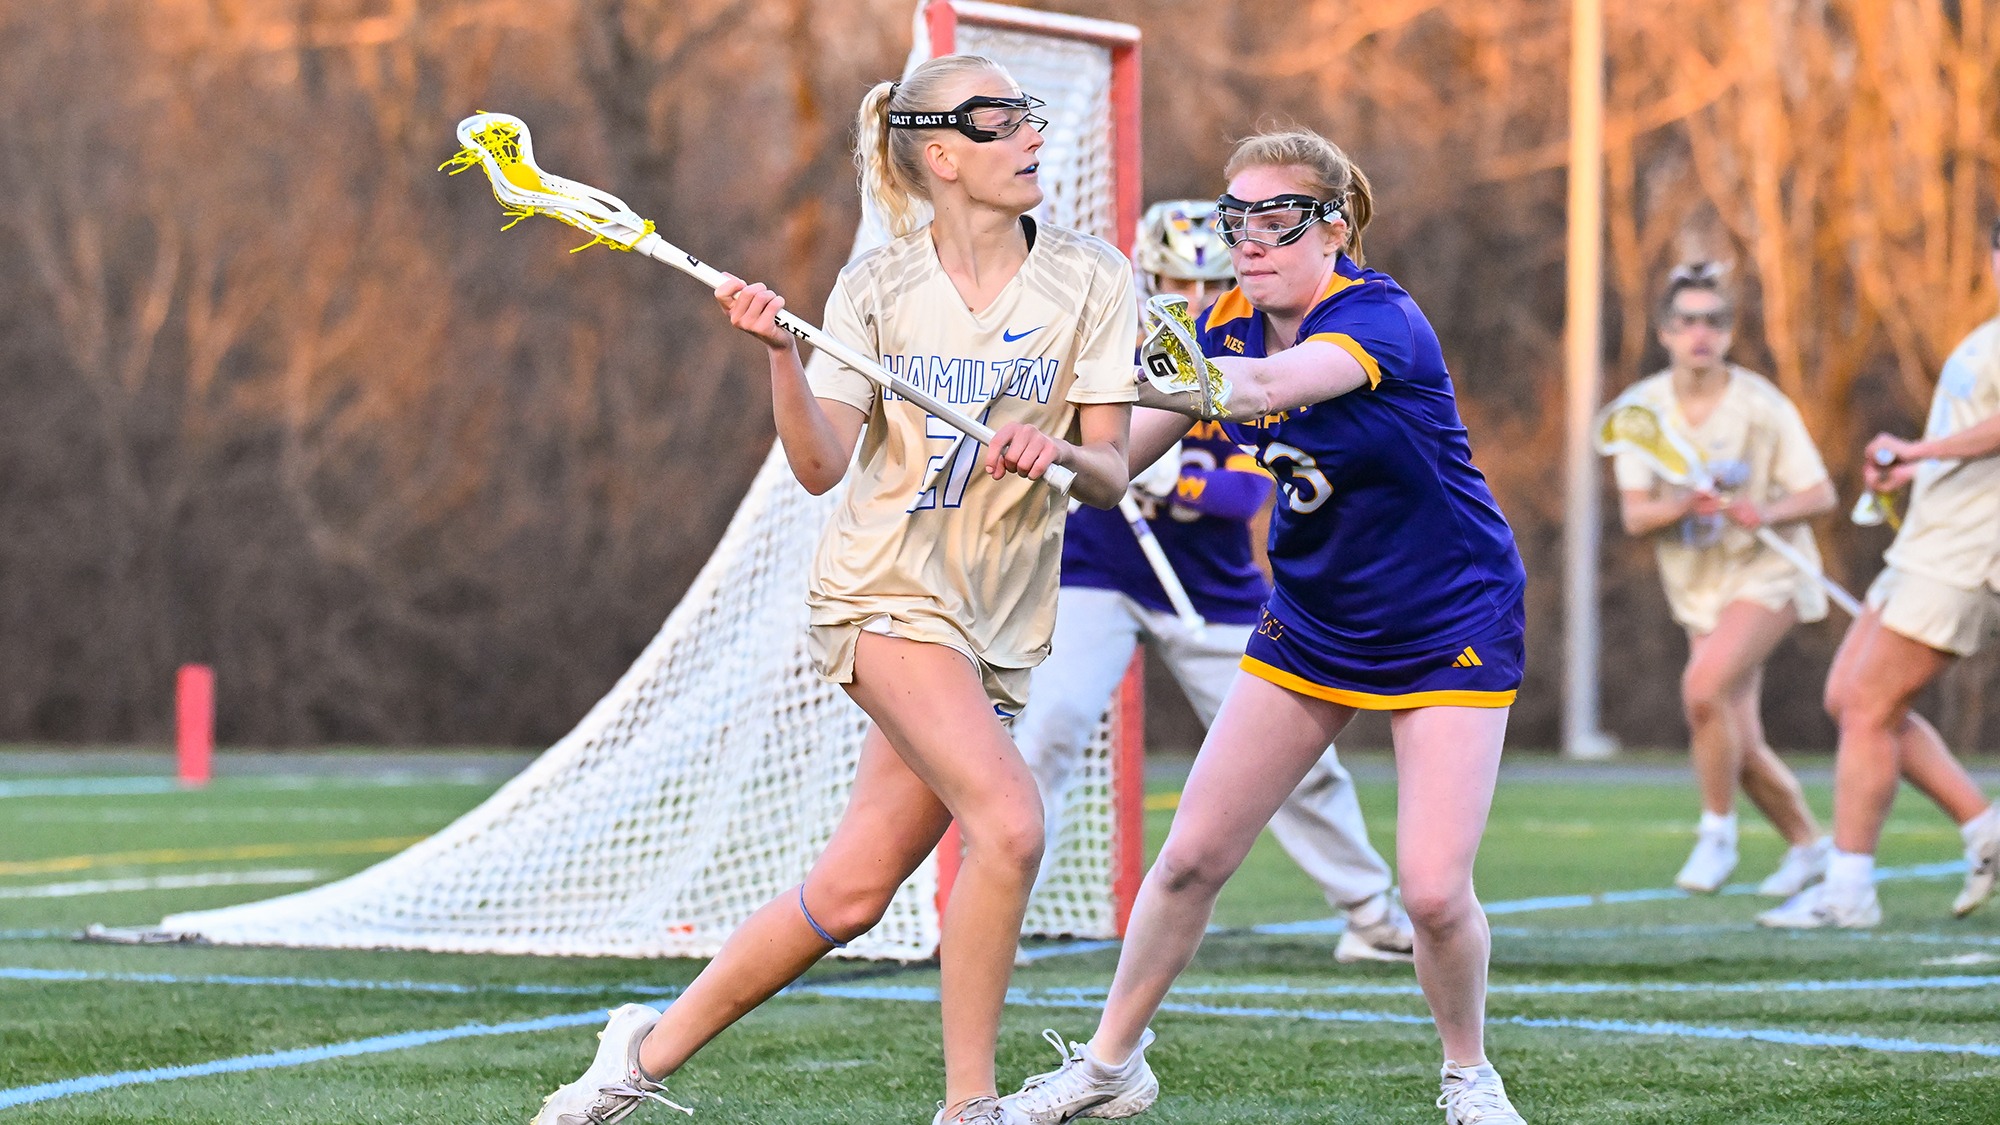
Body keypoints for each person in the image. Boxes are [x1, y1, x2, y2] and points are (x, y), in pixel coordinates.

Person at [530, 55, 1137, 1125]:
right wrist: (776, 356)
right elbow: (818, 466)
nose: (1030, 133)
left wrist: (1053, 453)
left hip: (994, 620)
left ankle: (636, 1055)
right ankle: (970, 1108)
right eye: (999, 121)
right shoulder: (873, 292)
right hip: (882, 594)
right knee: (1009, 824)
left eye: (1025, 114)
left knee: (852, 895)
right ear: (941, 155)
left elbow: (1110, 476)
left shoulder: (1091, 281)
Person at [1001, 128, 1530, 1125]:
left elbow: (1264, 391)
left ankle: (1467, 1073)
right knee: (1192, 855)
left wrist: (1133, 357)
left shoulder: (1377, 317)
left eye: (1273, 218)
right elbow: (1118, 474)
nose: (1247, 239)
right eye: (1232, 217)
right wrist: (1045, 441)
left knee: (1428, 893)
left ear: (1331, 226)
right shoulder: (1227, 329)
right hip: (1313, 619)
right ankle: (1111, 1066)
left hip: (1447, 614)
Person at [1014, 198, 1413, 965]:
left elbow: (1245, 494)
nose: (1192, 300)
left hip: (1213, 590)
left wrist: (1170, 485)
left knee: (1297, 758)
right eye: (1173, 278)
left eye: (1207, 280)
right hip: (1097, 573)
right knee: (1048, 729)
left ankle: (1368, 909)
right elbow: (1068, 460)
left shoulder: (1255, 351)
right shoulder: (1107, 354)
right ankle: (1004, 908)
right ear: (1147, 275)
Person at [1760, 216, 2000, 930]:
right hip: (1928, 543)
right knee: (1850, 698)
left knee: (1867, 703)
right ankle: (1984, 826)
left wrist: (1918, 450)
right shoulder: (1984, 338)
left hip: (1968, 554)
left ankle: (1849, 890)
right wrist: (1906, 474)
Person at [1610, 263, 1836, 897]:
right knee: (1734, 733)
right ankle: (1807, 846)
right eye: (1686, 322)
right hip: (1698, 589)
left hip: (1770, 572)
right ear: (1665, 333)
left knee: (1703, 689)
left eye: (1713, 321)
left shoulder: (1761, 405)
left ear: (1730, 332)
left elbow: (1820, 493)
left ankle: (1716, 834)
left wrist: (1764, 510)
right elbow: (1635, 515)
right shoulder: (1641, 413)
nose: (1699, 334)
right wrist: (1684, 502)